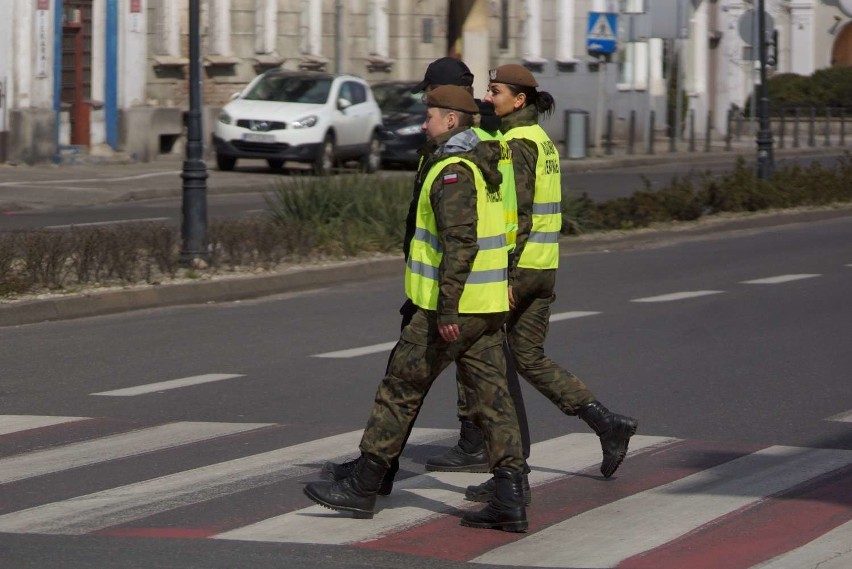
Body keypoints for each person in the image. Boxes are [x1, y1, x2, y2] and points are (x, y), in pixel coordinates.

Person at [304, 85, 528, 532]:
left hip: (448, 311)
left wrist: (445, 311)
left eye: (430, 116)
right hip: (483, 308)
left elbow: (460, 244)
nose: (424, 123)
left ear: (451, 121)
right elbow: (503, 232)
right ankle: (511, 497)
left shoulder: (455, 170)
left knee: (399, 390)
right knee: (494, 401)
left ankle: (363, 486)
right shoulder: (487, 164)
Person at [450, 64, 638, 504]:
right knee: (528, 358)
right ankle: (606, 423)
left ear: (519, 100)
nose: (487, 98)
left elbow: (518, 216)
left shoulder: (517, 146)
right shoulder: (542, 142)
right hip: (545, 266)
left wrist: (508, 276)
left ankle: (511, 469)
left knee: (489, 366)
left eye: (495, 92)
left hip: (520, 272)